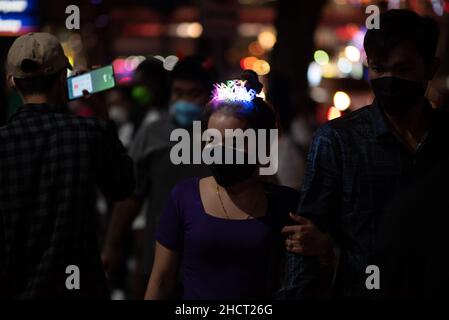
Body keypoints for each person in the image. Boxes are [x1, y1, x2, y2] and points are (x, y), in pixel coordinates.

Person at [281, 9, 449, 299]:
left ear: (430, 69)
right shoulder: (338, 141)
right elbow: (305, 240)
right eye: (379, 69)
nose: (389, 79)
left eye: (403, 69)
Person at [0, 32, 135, 299]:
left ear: (12, 82)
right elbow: (124, 186)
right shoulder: (89, 133)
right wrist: (103, 116)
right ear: (63, 79)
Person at [144, 71, 300, 300]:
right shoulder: (183, 197)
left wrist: (322, 250)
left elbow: (309, 282)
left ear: (265, 146)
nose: (220, 152)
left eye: (235, 142)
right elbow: (161, 281)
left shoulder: (287, 205)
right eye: (212, 141)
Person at [102, 56, 214, 296]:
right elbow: (132, 196)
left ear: (208, 96)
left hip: (213, 258)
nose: (184, 101)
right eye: (178, 92)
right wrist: (112, 246)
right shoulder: (152, 134)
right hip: (161, 259)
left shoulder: (225, 135)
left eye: (193, 93)